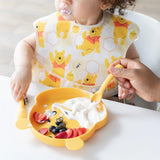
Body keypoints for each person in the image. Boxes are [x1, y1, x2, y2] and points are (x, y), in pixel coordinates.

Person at [10, 0, 140, 102]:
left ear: (105, 2)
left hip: (98, 105)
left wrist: (127, 82)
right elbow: (25, 45)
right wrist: (23, 69)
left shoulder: (119, 33)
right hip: (47, 99)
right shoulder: (52, 26)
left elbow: (133, 61)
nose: (64, 1)